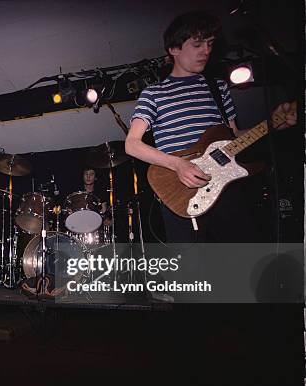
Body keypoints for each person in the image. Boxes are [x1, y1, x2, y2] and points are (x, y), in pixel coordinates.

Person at [125, 10, 296, 243]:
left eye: (210, 43)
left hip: (227, 188)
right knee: (196, 274)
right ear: (173, 49)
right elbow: (132, 145)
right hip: (182, 191)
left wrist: (273, 125)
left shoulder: (218, 88)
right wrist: (177, 164)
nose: (205, 51)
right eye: (197, 44)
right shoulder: (154, 94)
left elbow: (234, 136)